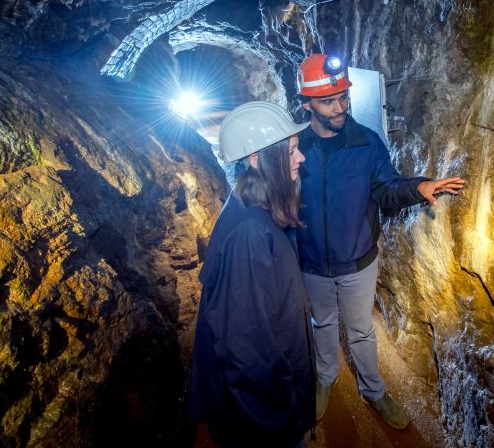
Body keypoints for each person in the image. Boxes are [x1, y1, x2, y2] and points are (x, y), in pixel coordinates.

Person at [295, 54, 466, 429]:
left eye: (343, 98)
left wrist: (417, 186)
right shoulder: (294, 147)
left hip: (357, 260)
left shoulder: (367, 143)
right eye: (328, 101)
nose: (340, 108)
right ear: (307, 103)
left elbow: (387, 189)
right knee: (322, 323)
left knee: (360, 329)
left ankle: (373, 390)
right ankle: (324, 379)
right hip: (309, 262)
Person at [189, 101, 315, 448]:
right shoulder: (250, 234)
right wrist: (283, 414)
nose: (300, 158)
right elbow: (248, 351)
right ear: (258, 159)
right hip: (265, 423)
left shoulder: (257, 208)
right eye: (290, 150)